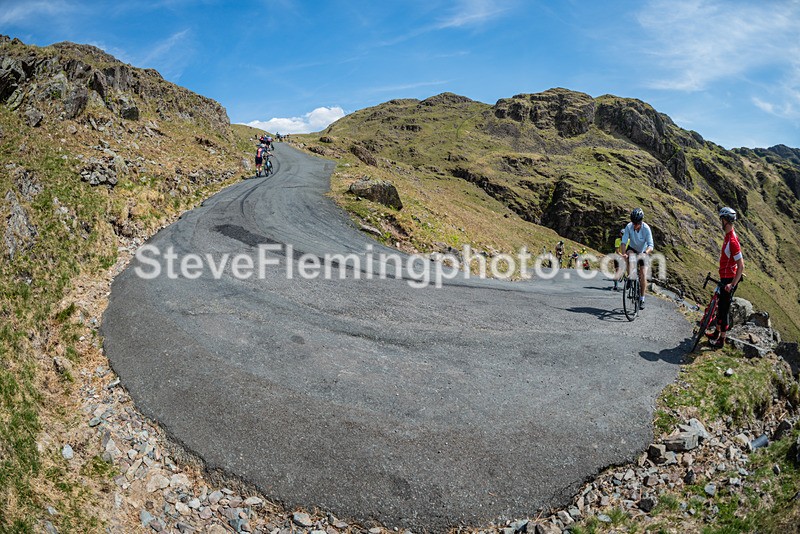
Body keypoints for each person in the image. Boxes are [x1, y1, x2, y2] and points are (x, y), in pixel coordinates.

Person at [706, 207, 744, 348]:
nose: (720, 222)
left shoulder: (732, 241)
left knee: (723, 309)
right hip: (725, 276)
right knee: (719, 306)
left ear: (726, 221)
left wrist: (732, 284)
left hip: (729, 280)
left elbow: (741, 265)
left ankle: (721, 340)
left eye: (721, 219)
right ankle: (716, 333)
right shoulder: (728, 236)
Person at [620, 208, 654, 309]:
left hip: (643, 251)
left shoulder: (646, 229)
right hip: (632, 248)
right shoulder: (629, 227)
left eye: (636, 223)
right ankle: (630, 276)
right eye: (633, 223)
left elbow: (651, 245)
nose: (634, 225)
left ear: (641, 222)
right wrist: (623, 253)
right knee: (628, 255)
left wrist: (645, 253)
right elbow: (623, 242)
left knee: (643, 274)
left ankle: (642, 298)